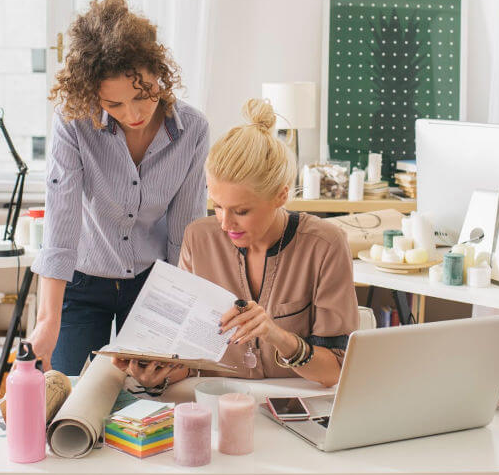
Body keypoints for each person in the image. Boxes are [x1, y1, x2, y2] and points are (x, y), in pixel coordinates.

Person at [113, 99, 359, 392]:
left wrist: (276, 336)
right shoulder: (198, 238)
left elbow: (335, 370)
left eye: (241, 211)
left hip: (296, 403)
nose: (225, 223)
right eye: (217, 206)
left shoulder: (325, 245)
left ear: (280, 196)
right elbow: (191, 361)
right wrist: (158, 373)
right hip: (217, 401)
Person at [27, 0, 209, 375]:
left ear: (158, 72)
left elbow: (184, 234)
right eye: (115, 105)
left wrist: (177, 321)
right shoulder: (73, 123)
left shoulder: (192, 129)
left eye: (142, 96)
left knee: (149, 398)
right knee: (71, 395)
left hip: (152, 283)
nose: (134, 114)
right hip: (83, 279)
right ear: (94, 97)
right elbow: (61, 228)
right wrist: (47, 322)